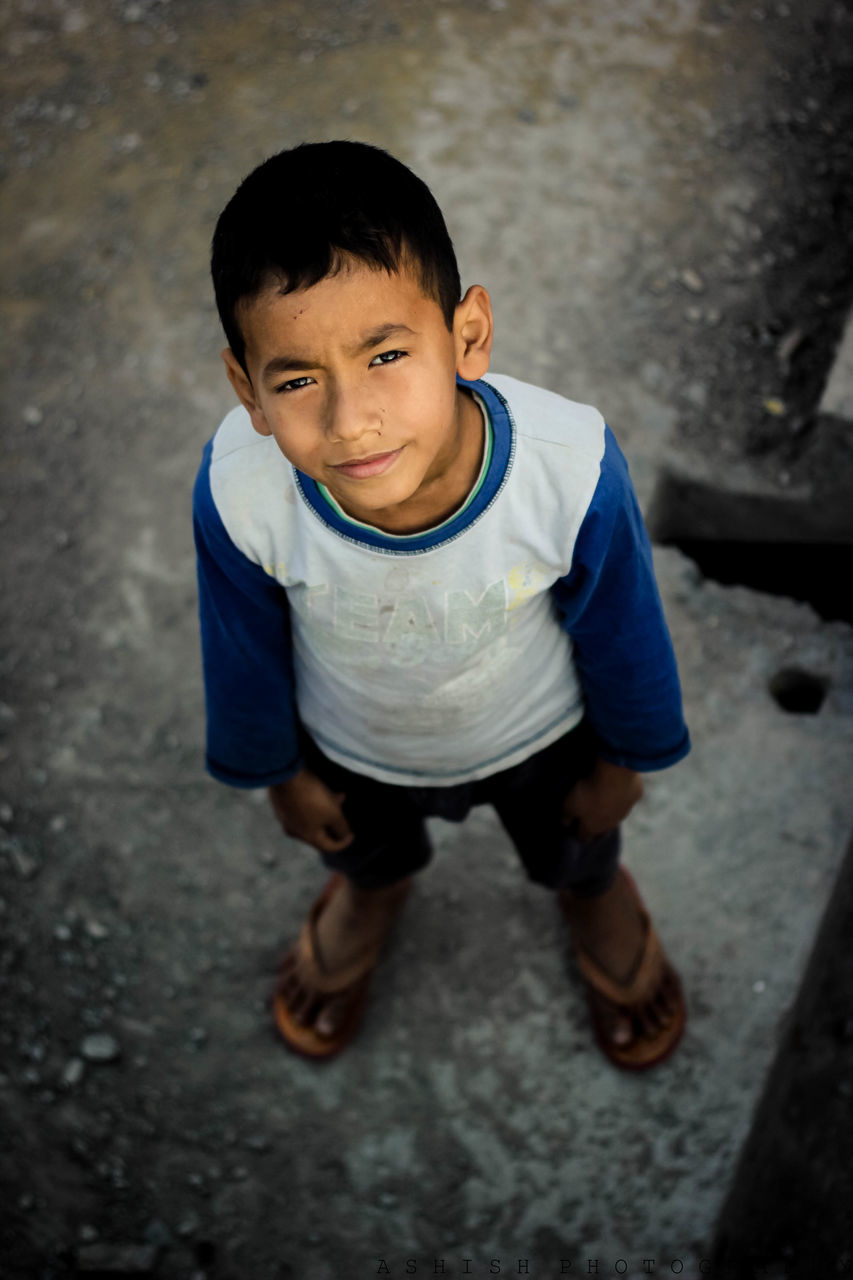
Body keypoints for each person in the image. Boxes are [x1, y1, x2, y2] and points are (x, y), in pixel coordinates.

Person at [194, 140, 690, 1071]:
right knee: (362, 850)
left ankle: (592, 894)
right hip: (351, 743)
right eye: (296, 379)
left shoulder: (566, 468)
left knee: (576, 845)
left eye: (386, 354)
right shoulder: (240, 492)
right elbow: (241, 646)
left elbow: (626, 631)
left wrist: (626, 760)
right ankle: (373, 892)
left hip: (539, 732)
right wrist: (276, 772)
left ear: (466, 337)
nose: (349, 420)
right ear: (246, 390)